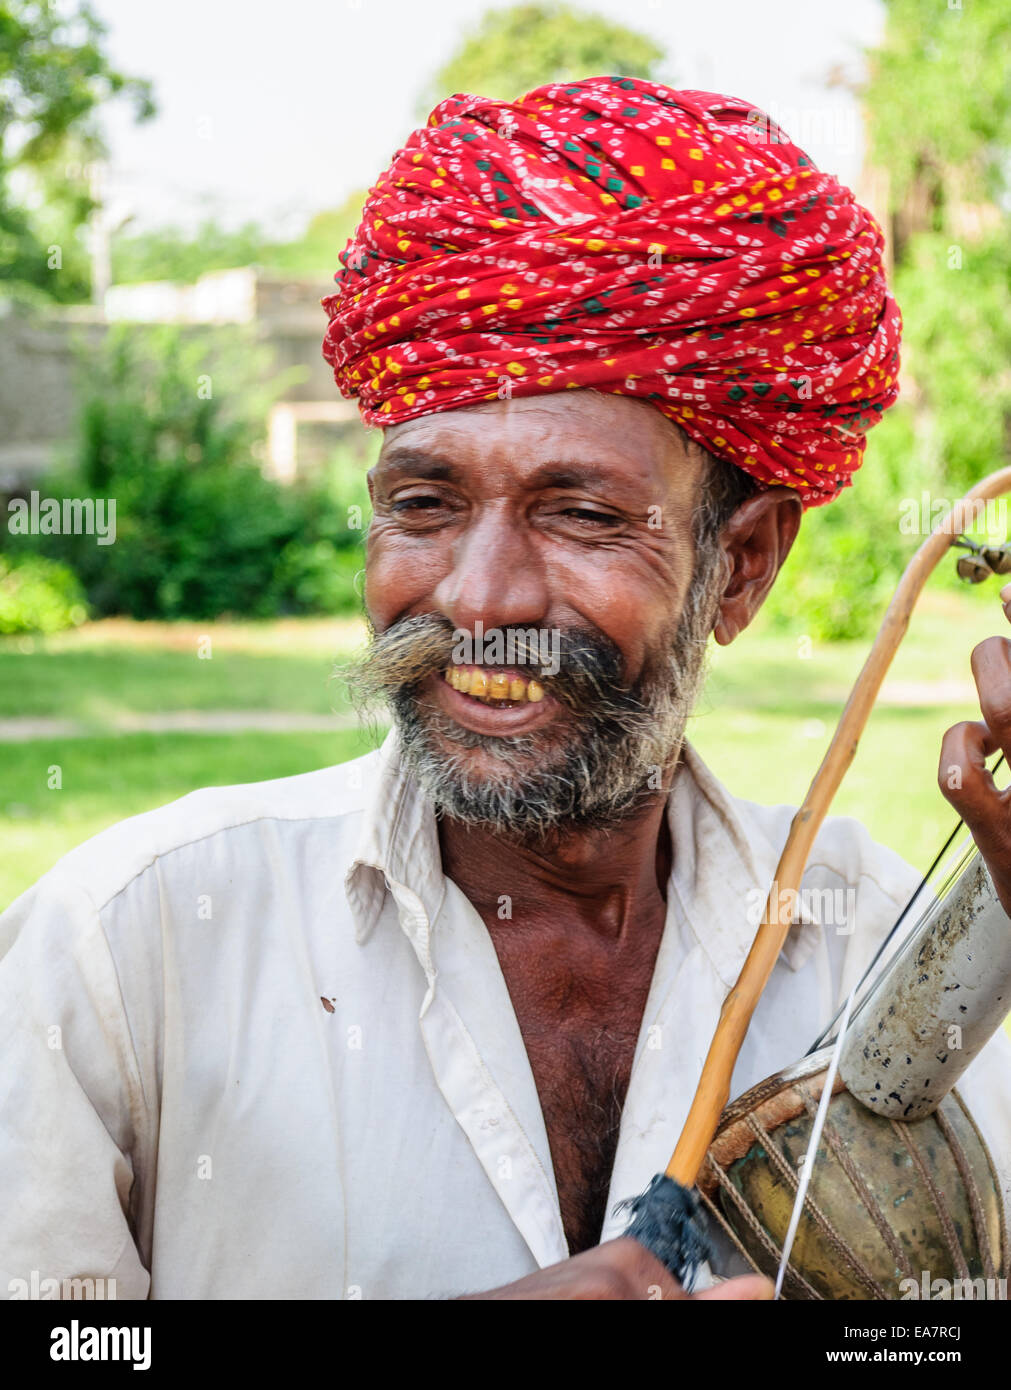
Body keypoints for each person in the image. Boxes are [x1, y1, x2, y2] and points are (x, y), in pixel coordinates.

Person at [3, 77, 1010, 1302]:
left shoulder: (896, 956)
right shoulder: (130, 948)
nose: (480, 600)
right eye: (422, 504)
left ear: (740, 565)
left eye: (580, 515)